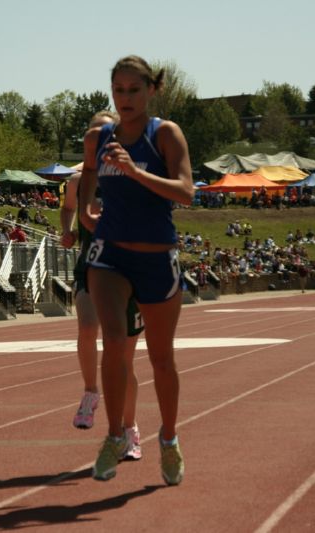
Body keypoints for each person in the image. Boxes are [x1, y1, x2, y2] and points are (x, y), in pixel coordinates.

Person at [79, 55, 194, 484]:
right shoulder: (100, 137)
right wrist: (87, 205)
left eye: (133, 89)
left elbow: (186, 192)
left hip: (156, 256)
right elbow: (89, 171)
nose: (125, 98)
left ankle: (169, 439)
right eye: (118, 90)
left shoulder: (164, 134)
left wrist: (132, 171)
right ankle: (114, 435)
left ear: (151, 91)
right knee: (113, 341)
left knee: (161, 359)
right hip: (110, 253)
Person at [60, 111, 143, 461]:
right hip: (91, 264)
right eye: (93, 132)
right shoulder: (78, 180)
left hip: (128, 270)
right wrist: (67, 229)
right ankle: (91, 392)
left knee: (124, 360)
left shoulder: (132, 174)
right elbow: (67, 209)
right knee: (87, 325)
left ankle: (130, 429)